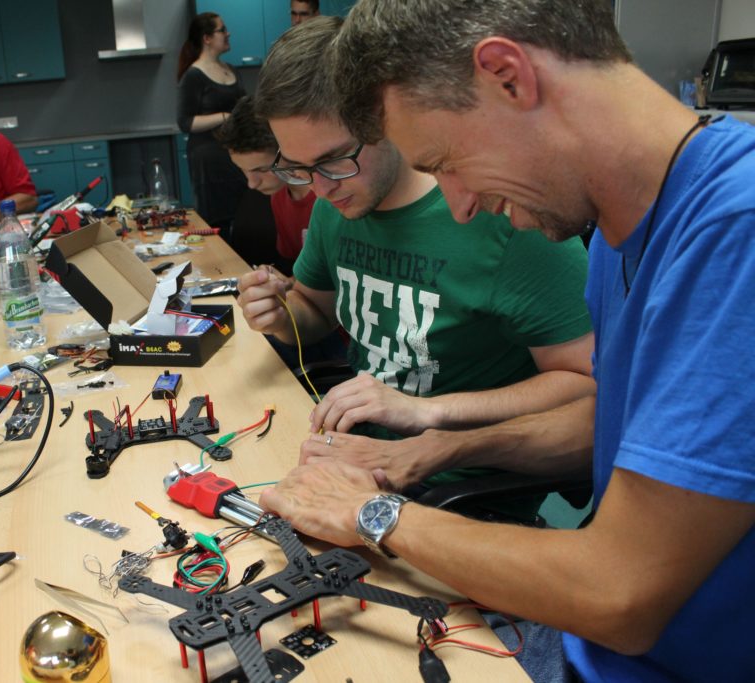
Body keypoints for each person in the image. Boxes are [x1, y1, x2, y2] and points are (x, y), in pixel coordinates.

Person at [261, 2, 755, 682]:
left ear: (507, 75)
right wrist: (437, 445)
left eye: (447, 162)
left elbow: (621, 594)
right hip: (586, 639)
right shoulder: (622, 225)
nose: (457, 203)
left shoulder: (737, 234)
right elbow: (609, 430)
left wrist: (372, 512)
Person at [243, 17, 595, 520]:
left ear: (386, 119)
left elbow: (586, 386)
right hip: (349, 458)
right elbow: (313, 312)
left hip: (455, 496)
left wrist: (426, 412)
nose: (319, 188)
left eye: (335, 160)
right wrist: (279, 313)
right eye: (297, 168)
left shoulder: (503, 213)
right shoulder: (336, 203)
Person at [217, 95, 315, 274]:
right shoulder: (279, 197)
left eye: (261, 169)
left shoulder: (329, 197)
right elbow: (300, 276)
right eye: (243, 170)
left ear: (288, 150)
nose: (252, 184)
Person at [176, 13, 248, 231]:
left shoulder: (231, 69)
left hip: (235, 152)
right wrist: (226, 117)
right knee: (220, 220)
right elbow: (185, 122)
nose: (228, 34)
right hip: (209, 161)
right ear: (207, 38)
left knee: (244, 213)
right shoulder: (193, 75)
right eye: (222, 30)